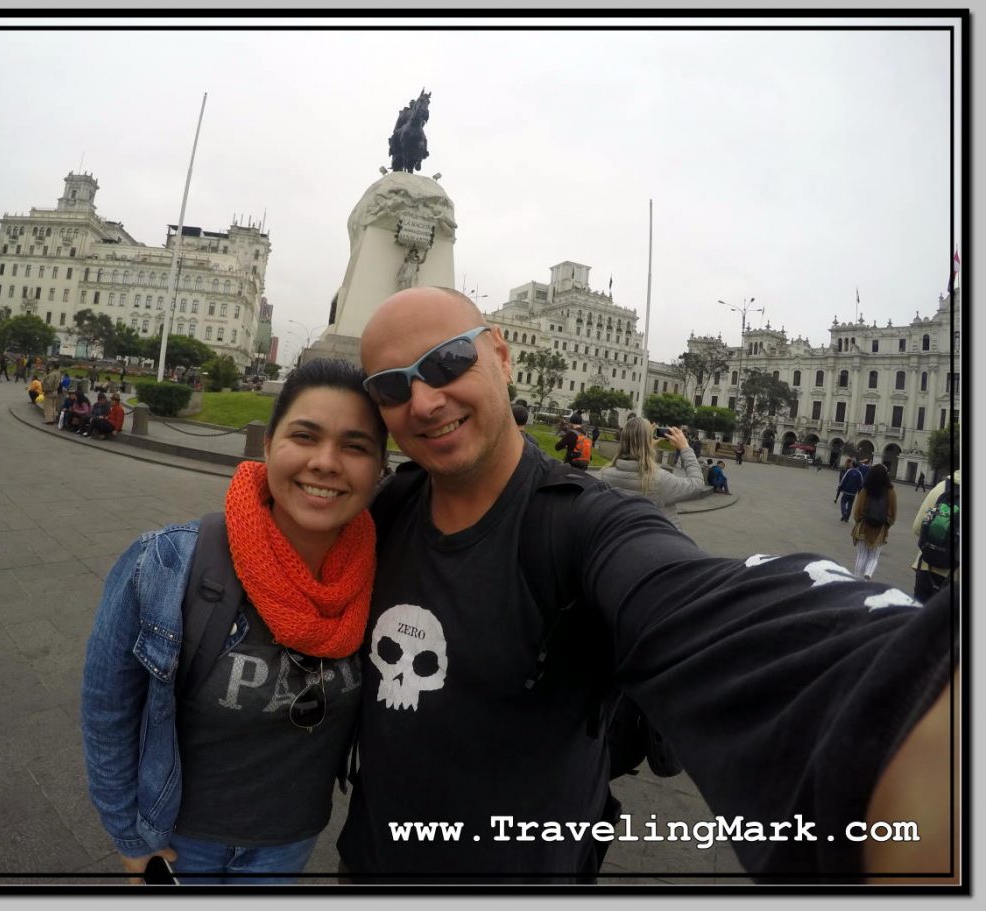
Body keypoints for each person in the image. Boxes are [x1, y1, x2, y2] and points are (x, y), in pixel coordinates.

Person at [340, 286, 954, 883]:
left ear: (500, 354)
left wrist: (916, 688)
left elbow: (697, 603)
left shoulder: (584, 523)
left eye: (448, 361)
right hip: (366, 863)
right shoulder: (384, 512)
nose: (423, 401)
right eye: (392, 385)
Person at [81, 359, 387, 884]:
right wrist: (129, 839)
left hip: (288, 844)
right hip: (180, 843)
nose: (326, 462)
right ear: (268, 445)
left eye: (355, 446)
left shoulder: (382, 576)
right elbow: (108, 710)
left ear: (380, 467)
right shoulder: (166, 562)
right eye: (305, 436)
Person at [597, 418, 707, 530]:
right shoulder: (659, 480)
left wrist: (646, 441)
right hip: (658, 540)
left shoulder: (605, 475)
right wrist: (685, 448)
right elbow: (697, 484)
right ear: (647, 442)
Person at [911, 470, 959, 602]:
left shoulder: (941, 487)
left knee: (920, 618)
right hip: (955, 577)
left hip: (927, 566)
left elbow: (917, 528)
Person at [849, 464, 896, 580]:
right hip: (880, 529)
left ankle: (856, 580)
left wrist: (859, 520)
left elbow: (857, 511)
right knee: (874, 557)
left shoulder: (866, 489)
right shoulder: (890, 491)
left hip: (864, 527)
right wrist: (887, 524)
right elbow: (892, 514)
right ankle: (868, 575)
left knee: (861, 556)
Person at [836, 457, 863, 522]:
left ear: (853, 465)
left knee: (843, 502)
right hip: (853, 493)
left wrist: (840, 487)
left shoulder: (849, 471)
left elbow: (843, 480)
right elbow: (861, 483)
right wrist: (859, 492)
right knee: (850, 505)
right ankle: (846, 518)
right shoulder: (859, 473)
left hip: (846, 491)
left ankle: (844, 512)